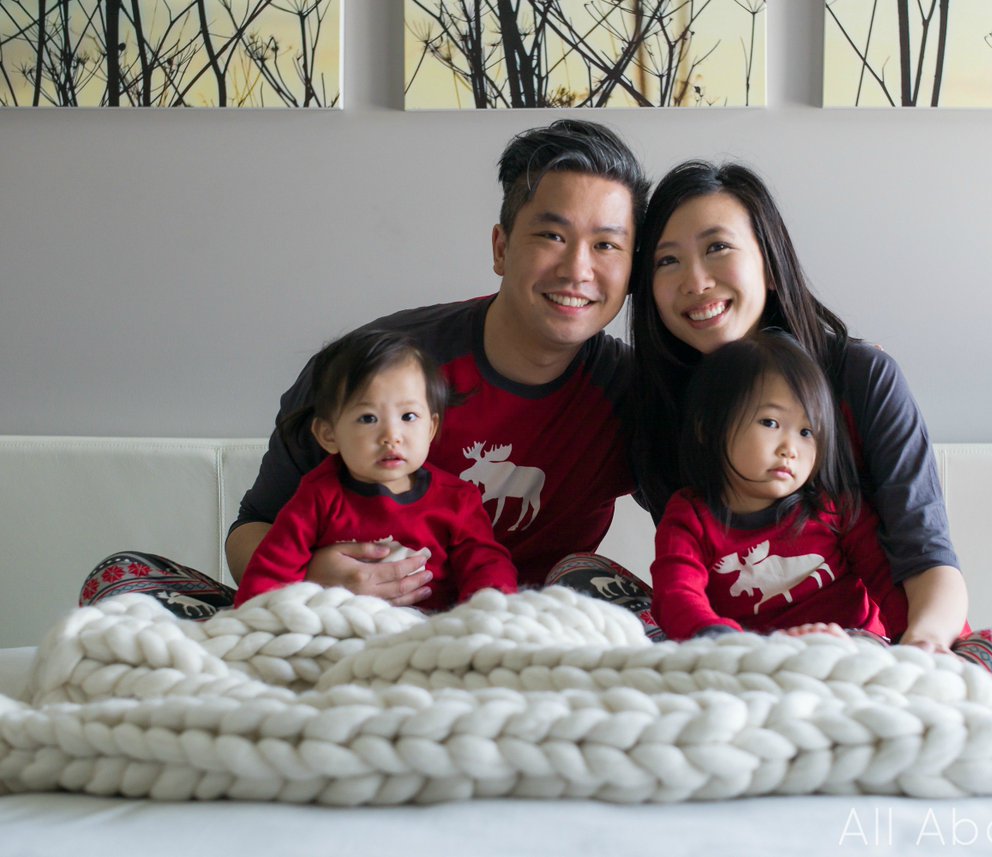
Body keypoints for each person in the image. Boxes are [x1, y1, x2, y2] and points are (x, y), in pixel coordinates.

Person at [80, 118, 650, 617]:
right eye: (552, 235)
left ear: (632, 269)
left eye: (606, 246)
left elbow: (721, 520)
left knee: (590, 579)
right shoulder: (373, 365)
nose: (578, 268)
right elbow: (250, 533)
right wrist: (314, 576)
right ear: (501, 248)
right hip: (343, 623)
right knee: (123, 582)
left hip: (511, 637)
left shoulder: (633, 393)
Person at [626, 161, 992, 706]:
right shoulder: (659, 408)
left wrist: (919, 650)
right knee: (583, 583)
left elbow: (923, 557)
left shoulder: (861, 378)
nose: (695, 281)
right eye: (667, 261)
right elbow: (686, 582)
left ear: (770, 266)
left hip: (862, 650)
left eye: (718, 248)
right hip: (739, 663)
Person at [651, 331, 908, 643]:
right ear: (710, 428)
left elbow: (889, 583)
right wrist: (721, 641)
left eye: (806, 431)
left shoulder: (836, 508)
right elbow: (676, 592)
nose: (791, 448)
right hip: (751, 655)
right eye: (770, 423)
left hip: (851, 646)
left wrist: (918, 646)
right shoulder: (691, 516)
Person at [234, 329, 517, 609]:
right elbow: (272, 568)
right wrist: (254, 622)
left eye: (408, 416)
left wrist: (491, 612)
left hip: (430, 633)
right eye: (368, 418)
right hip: (342, 630)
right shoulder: (318, 496)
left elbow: (486, 564)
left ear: (431, 428)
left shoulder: (458, 499)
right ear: (329, 435)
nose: (391, 435)